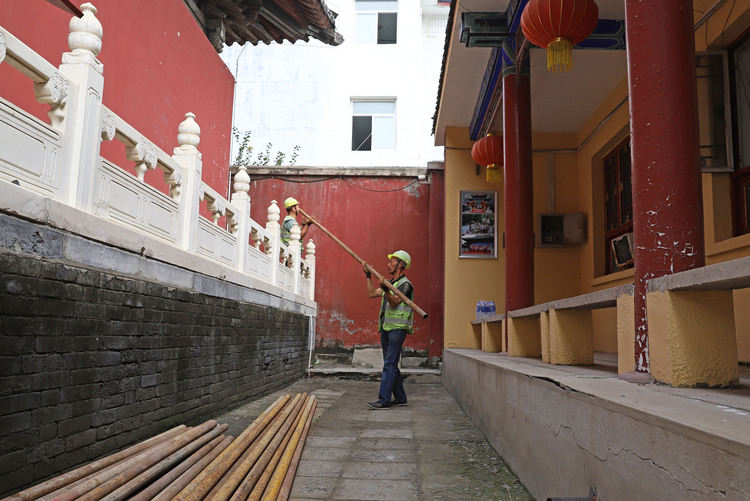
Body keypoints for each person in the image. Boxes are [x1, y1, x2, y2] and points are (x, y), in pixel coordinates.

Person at [362, 250, 414, 410]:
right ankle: (400, 398)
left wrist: (385, 289)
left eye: (392, 261)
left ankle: (384, 400)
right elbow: (371, 293)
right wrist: (368, 276)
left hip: (397, 329)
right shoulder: (392, 283)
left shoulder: (405, 285)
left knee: (389, 364)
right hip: (386, 328)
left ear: (401, 265)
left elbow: (394, 303)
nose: (388, 264)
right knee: (390, 363)